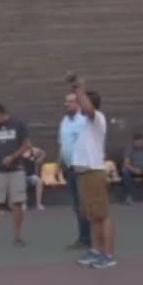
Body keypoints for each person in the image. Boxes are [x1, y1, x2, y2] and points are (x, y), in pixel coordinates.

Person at [69, 75, 116, 268]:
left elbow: (87, 108)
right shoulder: (84, 123)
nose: (78, 104)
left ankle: (109, 255)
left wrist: (80, 88)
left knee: (103, 215)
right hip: (83, 173)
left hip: (94, 171)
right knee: (92, 216)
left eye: (81, 101)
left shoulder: (97, 118)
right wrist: (76, 88)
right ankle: (95, 251)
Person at [0, 102, 31, 248]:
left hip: (16, 169)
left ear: (1, 114)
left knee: (17, 203)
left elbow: (26, 144)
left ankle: (18, 237)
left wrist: (13, 157)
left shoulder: (18, 124)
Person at [58, 92, 90, 249]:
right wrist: (59, 164)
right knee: (77, 205)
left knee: (85, 205)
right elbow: (62, 145)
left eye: (70, 102)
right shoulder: (64, 121)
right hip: (70, 169)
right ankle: (83, 237)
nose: (67, 104)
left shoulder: (84, 121)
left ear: (78, 104)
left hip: (83, 169)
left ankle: (91, 237)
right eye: (66, 102)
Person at [22, 146, 47, 210]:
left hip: (31, 176)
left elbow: (43, 153)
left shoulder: (33, 150)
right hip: (21, 176)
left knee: (39, 181)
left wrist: (39, 159)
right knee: (21, 181)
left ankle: (38, 204)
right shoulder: (18, 151)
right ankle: (24, 204)